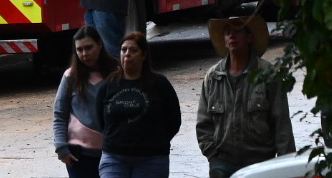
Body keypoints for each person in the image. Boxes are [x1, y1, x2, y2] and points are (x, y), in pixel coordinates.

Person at [196, 16, 295, 178]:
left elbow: (281, 123)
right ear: (225, 41)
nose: (232, 36)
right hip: (223, 162)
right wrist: (213, 156)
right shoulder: (213, 77)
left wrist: (287, 163)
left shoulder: (268, 74)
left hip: (261, 161)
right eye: (228, 33)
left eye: (237, 31)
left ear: (250, 38)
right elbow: (203, 123)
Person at [95, 32, 181, 178]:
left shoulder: (159, 84)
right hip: (114, 158)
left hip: (152, 159)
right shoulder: (108, 85)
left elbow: (173, 120)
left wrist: (155, 142)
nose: (127, 54)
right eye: (124, 50)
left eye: (133, 50)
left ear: (144, 55)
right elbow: (101, 121)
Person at [54, 25, 119, 178]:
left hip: (113, 153)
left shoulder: (116, 74)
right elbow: (60, 114)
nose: (84, 54)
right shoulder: (70, 77)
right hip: (78, 156)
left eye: (89, 47)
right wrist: (61, 148)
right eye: (79, 50)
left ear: (100, 45)